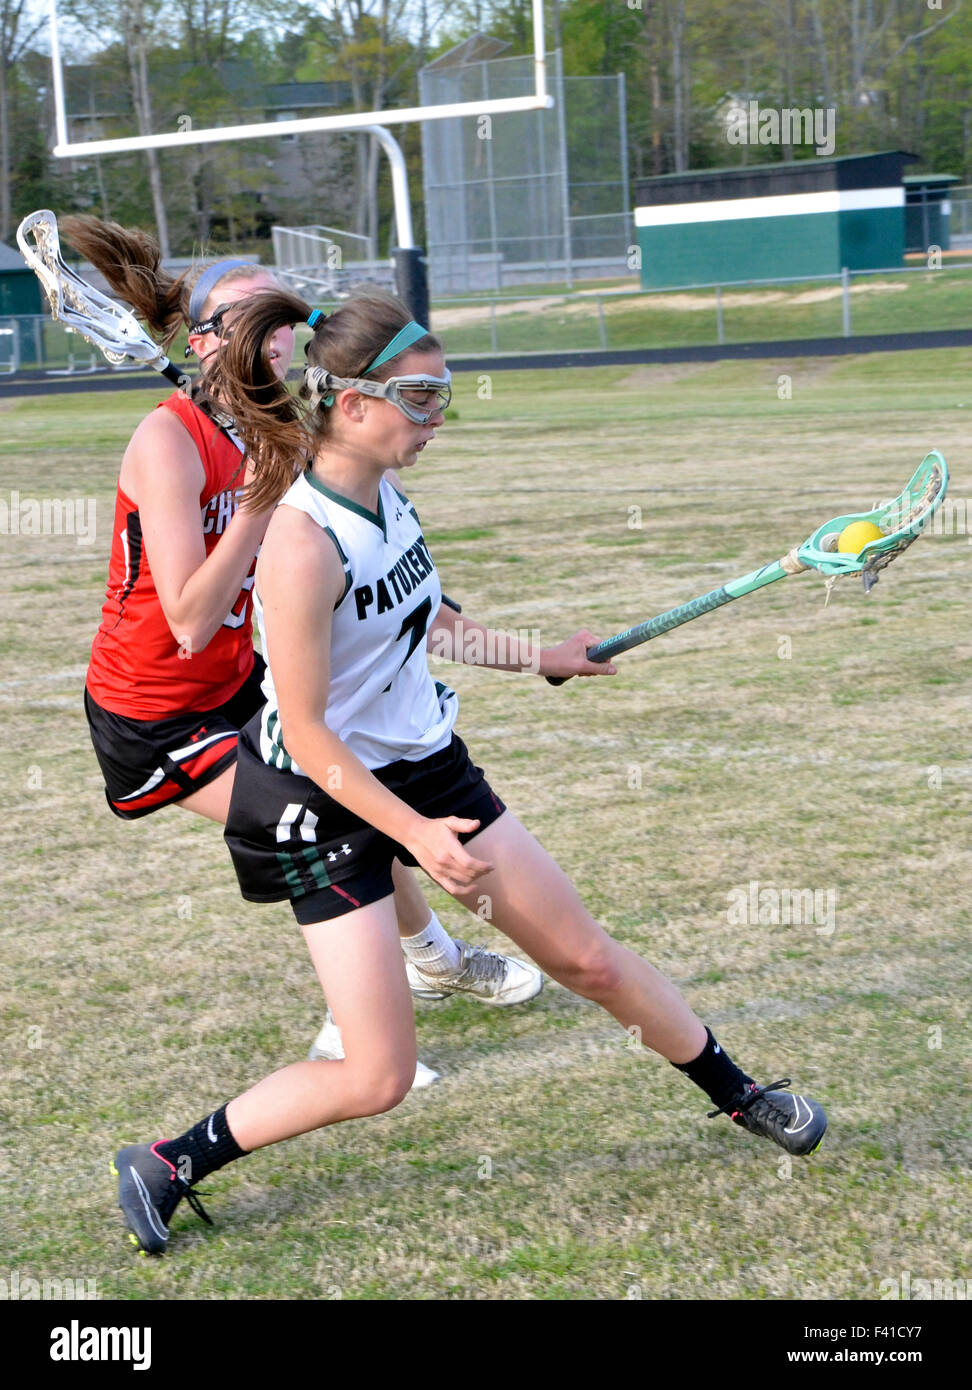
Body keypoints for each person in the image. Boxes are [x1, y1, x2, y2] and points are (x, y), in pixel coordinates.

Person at [112, 287, 827, 1257]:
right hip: (319, 799)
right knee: (378, 1076)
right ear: (353, 405)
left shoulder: (384, 491)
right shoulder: (300, 540)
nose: (438, 419)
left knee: (587, 959)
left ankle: (743, 1097)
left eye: (444, 395)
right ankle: (169, 1158)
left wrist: (542, 654)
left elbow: (431, 618)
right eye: (422, 399)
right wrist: (413, 841)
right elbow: (311, 730)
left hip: (427, 769)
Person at [65, 217, 542, 1097]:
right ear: (204, 340)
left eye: (281, 322)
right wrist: (261, 498)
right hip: (157, 710)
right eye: (251, 322)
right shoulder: (167, 440)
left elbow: (371, 574)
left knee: (368, 779)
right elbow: (190, 623)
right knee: (332, 813)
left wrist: (524, 650)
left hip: (246, 682)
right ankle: (365, 1016)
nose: (275, 340)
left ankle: (424, 964)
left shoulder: (288, 419)